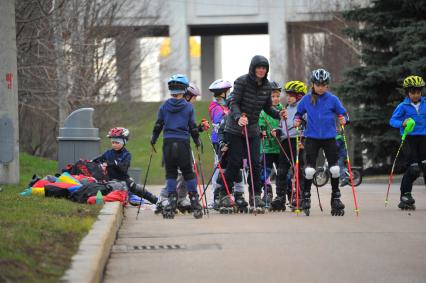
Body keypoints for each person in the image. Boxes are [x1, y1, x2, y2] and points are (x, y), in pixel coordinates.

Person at [220, 55, 286, 213]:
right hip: (235, 128)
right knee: (235, 162)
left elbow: (268, 108)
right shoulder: (241, 81)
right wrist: (238, 117)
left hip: (253, 129)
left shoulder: (267, 86)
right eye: (259, 67)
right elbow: (233, 102)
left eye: (264, 68)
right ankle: (224, 194)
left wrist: (279, 114)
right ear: (253, 68)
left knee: (256, 163)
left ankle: (256, 195)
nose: (261, 70)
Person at [294, 68, 349, 216]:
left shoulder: (333, 99)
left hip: (329, 137)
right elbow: (298, 113)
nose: (321, 87)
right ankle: (306, 197)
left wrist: (344, 119)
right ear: (313, 84)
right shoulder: (306, 99)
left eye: (324, 84)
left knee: (335, 169)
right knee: (310, 170)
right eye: (318, 84)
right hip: (311, 138)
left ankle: (336, 198)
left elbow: (343, 113)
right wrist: (297, 120)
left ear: (327, 85)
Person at [151, 74, 203, 219]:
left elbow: (158, 125)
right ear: (184, 89)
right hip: (183, 144)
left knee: (171, 173)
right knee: (188, 173)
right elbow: (192, 127)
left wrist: (153, 139)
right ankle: (194, 202)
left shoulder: (164, 106)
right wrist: (197, 141)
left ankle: (171, 202)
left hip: (168, 143)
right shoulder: (188, 107)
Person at [93, 127, 158, 205]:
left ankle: (157, 201)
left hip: (123, 179)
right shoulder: (108, 153)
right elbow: (96, 161)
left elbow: (123, 169)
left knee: (137, 188)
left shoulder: (126, 154)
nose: (114, 145)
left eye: (117, 143)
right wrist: (95, 163)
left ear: (124, 142)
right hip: (109, 179)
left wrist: (112, 163)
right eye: (113, 142)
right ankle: (129, 196)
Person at [389, 75, 426, 210]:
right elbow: (392, 121)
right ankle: (405, 195)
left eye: (418, 92)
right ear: (407, 93)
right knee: (414, 168)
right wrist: (402, 122)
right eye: (412, 92)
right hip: (409, 139)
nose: (416, 95)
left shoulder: (425, 103)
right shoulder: (403, 106)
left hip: (424, 139)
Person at [271, 80, 307, 211]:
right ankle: (280, 197)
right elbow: (282, 126)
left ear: (299, 96)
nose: (288, 97)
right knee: (281, 171)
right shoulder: (285, 109)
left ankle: (300, 196)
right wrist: (277, 131)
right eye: (287, 95)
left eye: (291, 95)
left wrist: (303, 141)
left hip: (298, 141)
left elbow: (308, 126)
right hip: (285, 142)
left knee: (299, 170)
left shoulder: (304, 109)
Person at [207, 79, 232, 207]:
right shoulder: (215, 107)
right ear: (222, 93)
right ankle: (216, 195)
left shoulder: (227, 105)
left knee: (228, 167)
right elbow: (219, 120)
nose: (229, 93)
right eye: (228, 91)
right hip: (219, 141)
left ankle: (227, 193)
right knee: (219, 168)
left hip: (229, 140)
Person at [258, 81, 283, 207]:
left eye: (277, 96)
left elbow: (285, 125)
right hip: (267, 148)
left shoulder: (282, 110)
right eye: (272, 96)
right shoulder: (263, 111)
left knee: (282, 172)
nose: (275, 99)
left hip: (279, 148)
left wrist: (279, 132)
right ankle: (267, 192)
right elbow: (260, 124)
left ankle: (285, 193)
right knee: (264, 173)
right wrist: (264, 132)